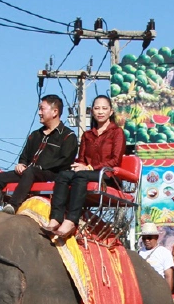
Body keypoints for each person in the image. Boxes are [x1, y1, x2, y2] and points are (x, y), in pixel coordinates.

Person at [46, 95, 126, 239]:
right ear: (92, 111)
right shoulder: (87, 135)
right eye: (97, 108)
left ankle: (71, 220)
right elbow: (81, 159)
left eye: (104, 108)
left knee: (81, 175)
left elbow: (115, 161)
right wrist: (79, 166)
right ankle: (56, 218)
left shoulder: (117, 132)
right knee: (63, 175)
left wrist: (89, 168)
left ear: (111, 112)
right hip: (86, 173)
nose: (100, 112)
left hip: (107, 175)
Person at [0, 95, 78, 214]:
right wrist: (21, 164)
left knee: (31, 171)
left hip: (52, 175)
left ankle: (13, 206)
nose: (39, 112)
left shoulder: (68, 136)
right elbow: (24, 156)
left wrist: (41, 168)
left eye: (42, 109)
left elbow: (65, 161)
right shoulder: (35, 135)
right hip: (28, 174)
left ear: (55, 112)